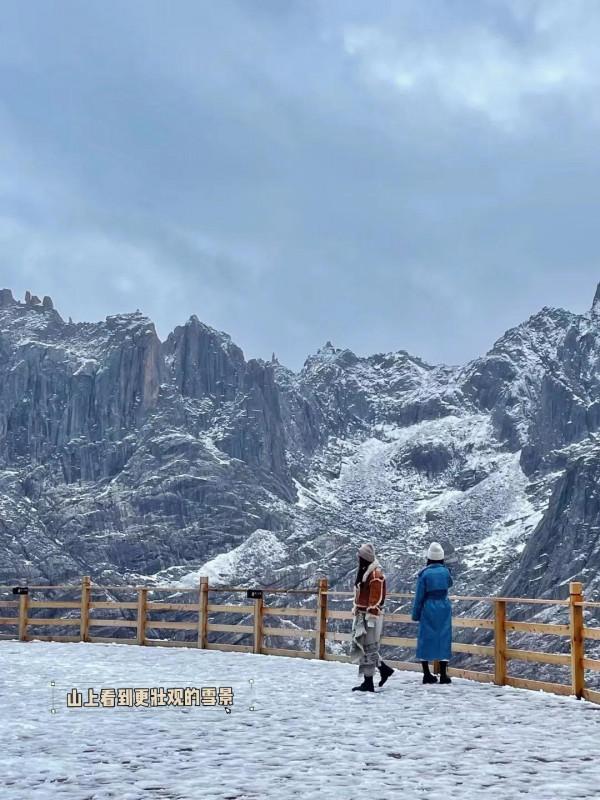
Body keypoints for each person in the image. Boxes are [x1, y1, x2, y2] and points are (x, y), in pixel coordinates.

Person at [350, 543, 395, 692]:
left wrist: (370, 616)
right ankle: (383, 670)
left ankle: (369, 681)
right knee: (367, 648)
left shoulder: (375, 576)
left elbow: (375, 599)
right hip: (364, 614)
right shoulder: (368, 573)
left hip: (370, 617)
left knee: (367, 648)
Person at [411, 542, 453, 685]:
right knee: (444, 637)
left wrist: (415, 614)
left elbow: (419, 596)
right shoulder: (446, 572)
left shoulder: (424, 574)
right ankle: (443, 674)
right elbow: (450, 584)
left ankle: (427, 674)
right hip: (444, 606)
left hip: (429, 607)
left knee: (426, 637)